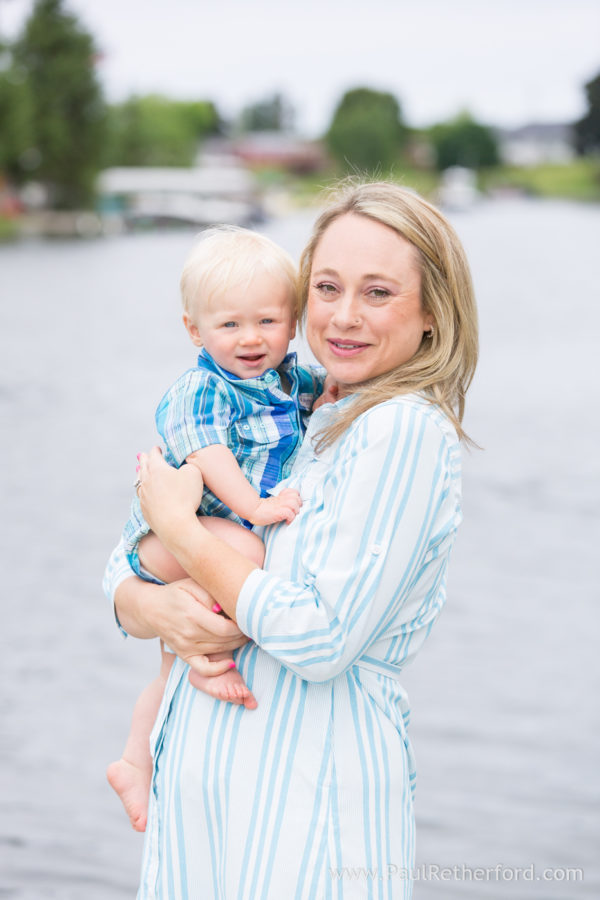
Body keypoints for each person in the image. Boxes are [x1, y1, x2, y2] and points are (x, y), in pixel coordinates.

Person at [104, 180, 478, 899]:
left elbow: (320, 639)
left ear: (432, 311)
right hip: (205, 805)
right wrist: (149, 608)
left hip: (306, 813)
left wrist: (181, 528)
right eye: (328, 287)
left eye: (378, 293)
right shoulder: (304, 413)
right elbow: (122, 573)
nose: (342, 316)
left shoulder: (401, 431)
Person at [107, 225, 329, 834]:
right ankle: (207, 654)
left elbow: (326, 388)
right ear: (194, 331)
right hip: (175, 529)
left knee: (166, 661)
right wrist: (255, 509)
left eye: (268, 321)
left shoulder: (286, 378)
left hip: (198, 536)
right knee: (242, 549)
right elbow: (208, 456)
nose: (251, 339)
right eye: (230, 325)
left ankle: (133, 757)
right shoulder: (200, 390)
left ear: (293, 322)